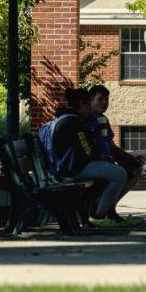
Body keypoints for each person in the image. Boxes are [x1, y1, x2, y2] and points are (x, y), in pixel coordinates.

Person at [52, 88, 138, 228]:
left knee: (116, 172)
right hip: (72, 168)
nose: (89, 110)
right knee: (119, 174)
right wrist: (102, 158)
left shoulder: (70, 119)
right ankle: (99, 216)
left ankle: (103, 213)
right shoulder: (72, 122)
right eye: (88, 105)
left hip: (71, 166)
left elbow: (86, 148)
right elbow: (86, 149)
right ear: (82, 104)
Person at [87, 84, 145, 225]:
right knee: (117, 174)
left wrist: (131, 159)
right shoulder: (85, 120)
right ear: (90, 100)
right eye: (100, 99)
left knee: (136, 169)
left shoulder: (103, 120)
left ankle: (110, 209)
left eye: (107, 100)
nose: (104, 103)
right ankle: (101, 213)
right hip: (93, 164)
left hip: (108, 162)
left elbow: (111, 146)